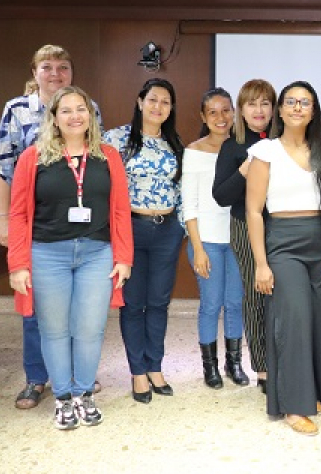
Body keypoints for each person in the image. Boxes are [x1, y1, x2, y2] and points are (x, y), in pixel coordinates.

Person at [7, 86, 132, 429]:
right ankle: (62, 398)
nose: (75, 116)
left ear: (90, 116)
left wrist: (124, 257)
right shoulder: (33, 158)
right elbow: (18, 214)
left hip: (97, 253)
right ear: (54, 118)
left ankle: (83, 394)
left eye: (81, 109)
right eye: (66, 110)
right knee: (54, 330)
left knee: (90, 329)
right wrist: (18, 265)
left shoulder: (108, 157)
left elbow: (121, 211)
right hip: (47, 254)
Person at [0, 44, 103, 410]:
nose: (55, 74)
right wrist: (4, 219)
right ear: (34, 72)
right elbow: (2, 167)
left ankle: (75, 377)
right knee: (37, 306)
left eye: (63, 67)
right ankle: (36, 378)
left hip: (81, 229)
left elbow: (97, 162)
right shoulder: (17, 109)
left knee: (78, 308)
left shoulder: (89, 107)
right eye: (47, 67)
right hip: (36, 227)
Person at [246, 81, 321, 436]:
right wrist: (261, 263)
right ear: (280, 109)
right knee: (294, 320)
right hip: (284, 245)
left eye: (305, 102)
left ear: (313, 110)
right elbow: (254, 211)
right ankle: (293, 404)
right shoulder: (265, 151)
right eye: (291, 101)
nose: (297, 107)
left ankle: (315, 391)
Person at [104, 78, 184, 403]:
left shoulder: (174, 143)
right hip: (131, 229)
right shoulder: (116, 139)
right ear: (140, 102)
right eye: (153, 99)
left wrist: (180, 227)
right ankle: (138, 371)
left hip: (167, 230)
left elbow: (180, 189)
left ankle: (155, 367)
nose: (158, 107)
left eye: (165, 102)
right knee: (134, 303)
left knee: (160, 302)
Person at [183, 88, 249, 389]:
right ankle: (209, 367)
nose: (220, 117)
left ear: (234, 112)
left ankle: (234, 364)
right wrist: (197, 248)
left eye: (226, 110)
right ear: (203, 116)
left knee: (235, 303)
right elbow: (189, 205)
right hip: (206, 241)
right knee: (211, 304)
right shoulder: (194, 151)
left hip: (236, 237)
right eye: (213, 112)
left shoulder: (242, 148)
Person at [213, 79, 277, 391]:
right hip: (244, 226)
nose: (259, 110)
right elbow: (221, 196)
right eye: (252, 104)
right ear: (241, 109)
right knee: (255, 297)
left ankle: (286, 363)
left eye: (265, 103)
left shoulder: (283, 142)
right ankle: (263, 369)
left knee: (286, 297)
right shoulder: (233, 146)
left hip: (283, 228)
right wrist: (244, 169)